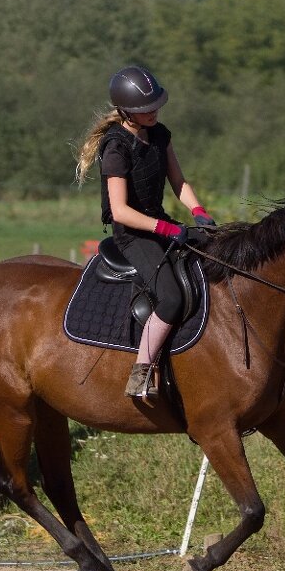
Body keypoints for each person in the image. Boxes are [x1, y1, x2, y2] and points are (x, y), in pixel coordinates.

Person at [75, 65, 215, 399]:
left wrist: (199, 212)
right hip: (132, 235)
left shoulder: (160, 135)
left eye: (155, 106)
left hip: (161, 225)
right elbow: (121, 211)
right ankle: (141, 372)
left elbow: (178, 182)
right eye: (144, 109)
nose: (153, 113)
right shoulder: (116, 148)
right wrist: (167, 228)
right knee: (170, 296)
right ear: (126, 111)